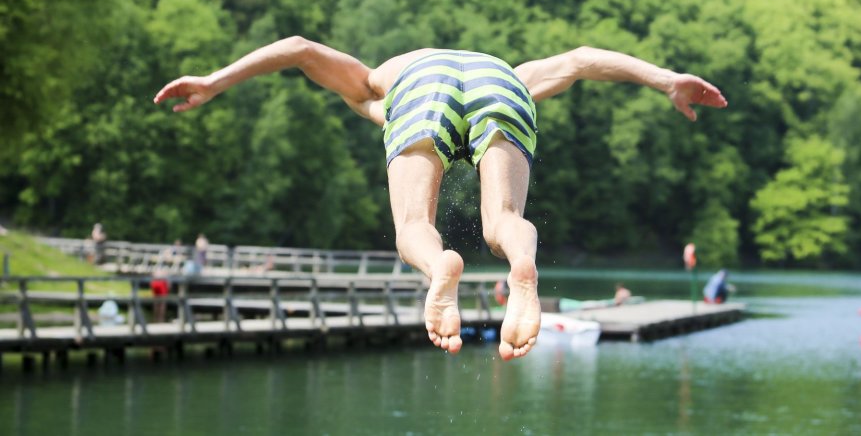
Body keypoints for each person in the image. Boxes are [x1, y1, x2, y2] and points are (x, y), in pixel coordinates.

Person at [154, 37, 728, 360]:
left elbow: (302, 49)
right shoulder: (511, 67)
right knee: (505, 219)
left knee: (412, 226)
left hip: (419, 90)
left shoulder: (378, 80)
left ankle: (439, 266)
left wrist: (214, 80)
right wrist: (665, 77)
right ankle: (521, 265)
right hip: (502, 85)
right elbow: (580, 60)